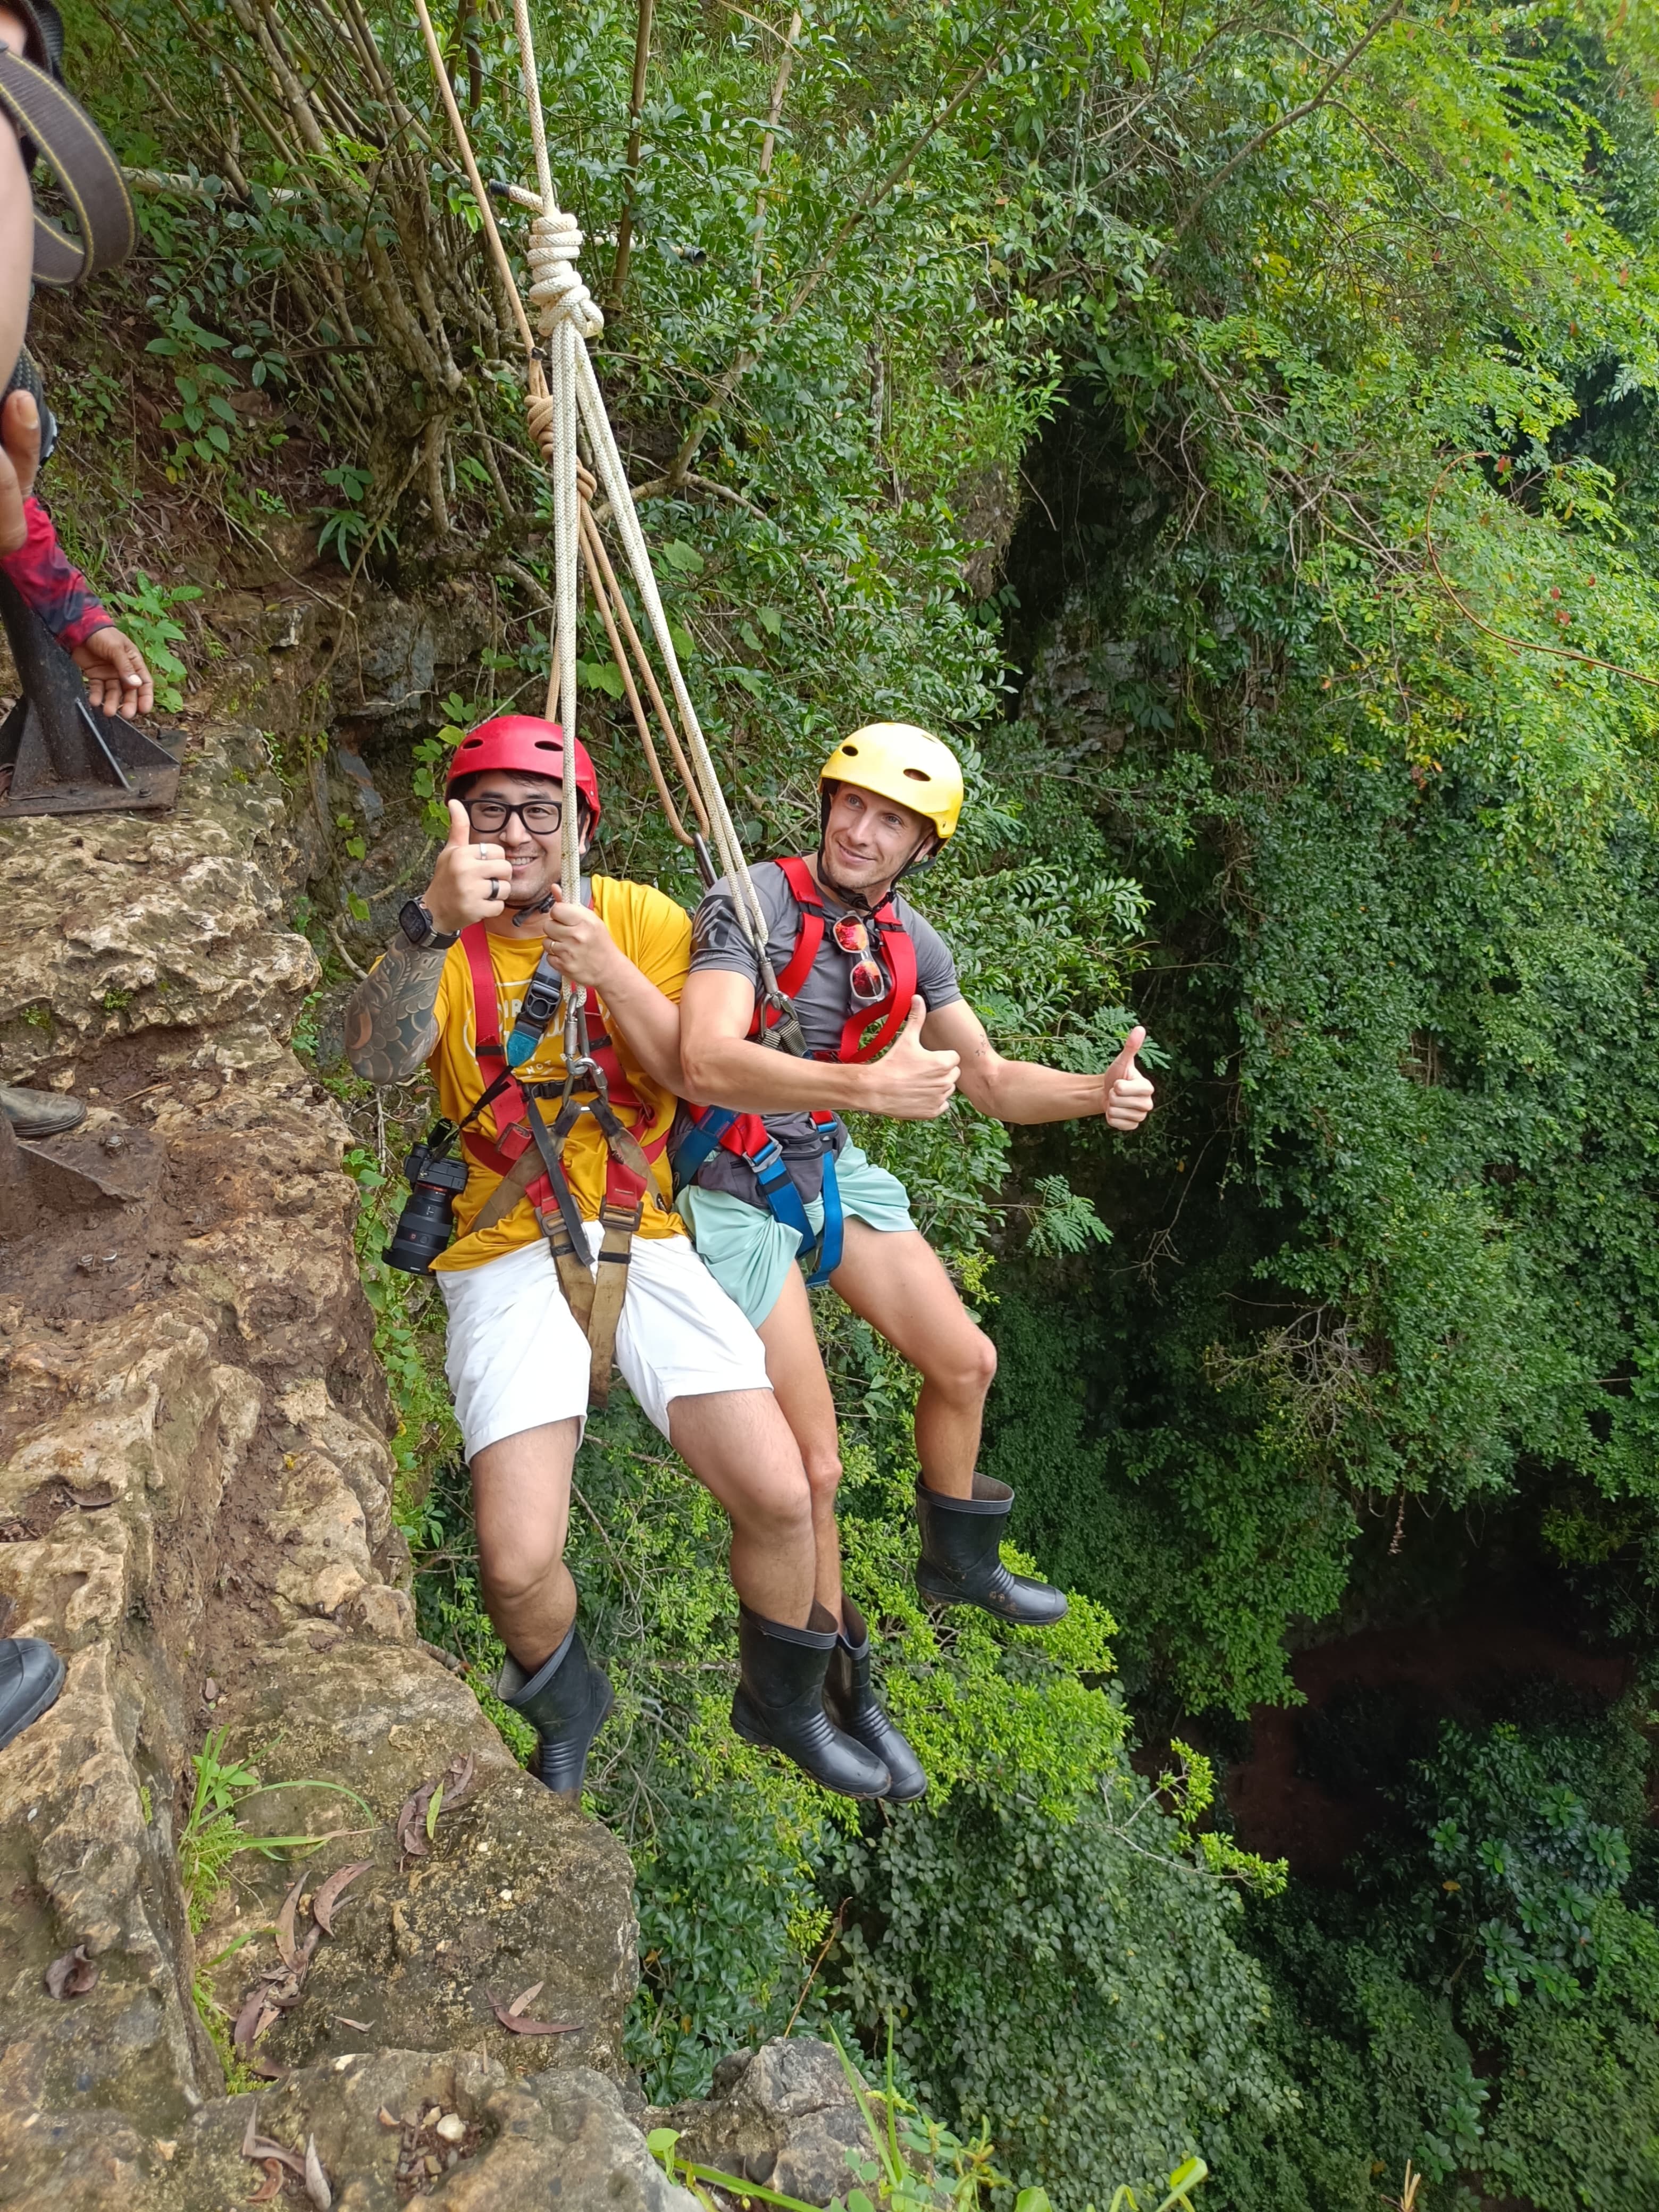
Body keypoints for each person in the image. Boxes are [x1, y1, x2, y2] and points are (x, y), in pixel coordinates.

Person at [342, 716, 890, 1801]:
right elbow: (364, 1061)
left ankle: (780, 1702)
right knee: (514, 1558)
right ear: (459, 823)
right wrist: (425, 927)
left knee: (783, 1494)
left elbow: (707, 1074)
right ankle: (564, 1692)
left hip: (643, 1223)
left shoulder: (637, 918)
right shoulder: (447, 936)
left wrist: (609, 972)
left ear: (581, 827)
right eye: (489, 809)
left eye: (539, 811)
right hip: (501, 1244)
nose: (514, 832)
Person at [675, 723, 1157, 1799]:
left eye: (890, 819)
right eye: (850, 803)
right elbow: (704, 1056)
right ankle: (815, 1695)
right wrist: (865, 1091)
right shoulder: (749, 901)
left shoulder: (911, 945)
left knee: (967, 1359)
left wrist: (1095, 1092)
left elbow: (983, 1079)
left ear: (921, 848)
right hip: (730, 1184)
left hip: (822, 1167)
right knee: (817, 1471)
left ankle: (959, 1561)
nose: (860, 827)